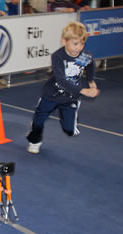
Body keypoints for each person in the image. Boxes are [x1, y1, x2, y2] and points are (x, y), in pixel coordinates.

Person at [26, 21, 100, 154]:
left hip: (70, 98)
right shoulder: (57, 57)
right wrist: (83, 91)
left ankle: (69, 119)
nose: (78, 48)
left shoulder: (84, 55)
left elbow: (91, 65)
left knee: (69, 130)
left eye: (82, 44)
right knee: (38, 121)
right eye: (75, 44)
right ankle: (35, 141)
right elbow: (61, 80)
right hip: (51, 95)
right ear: (64, 41)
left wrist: (91, 80)